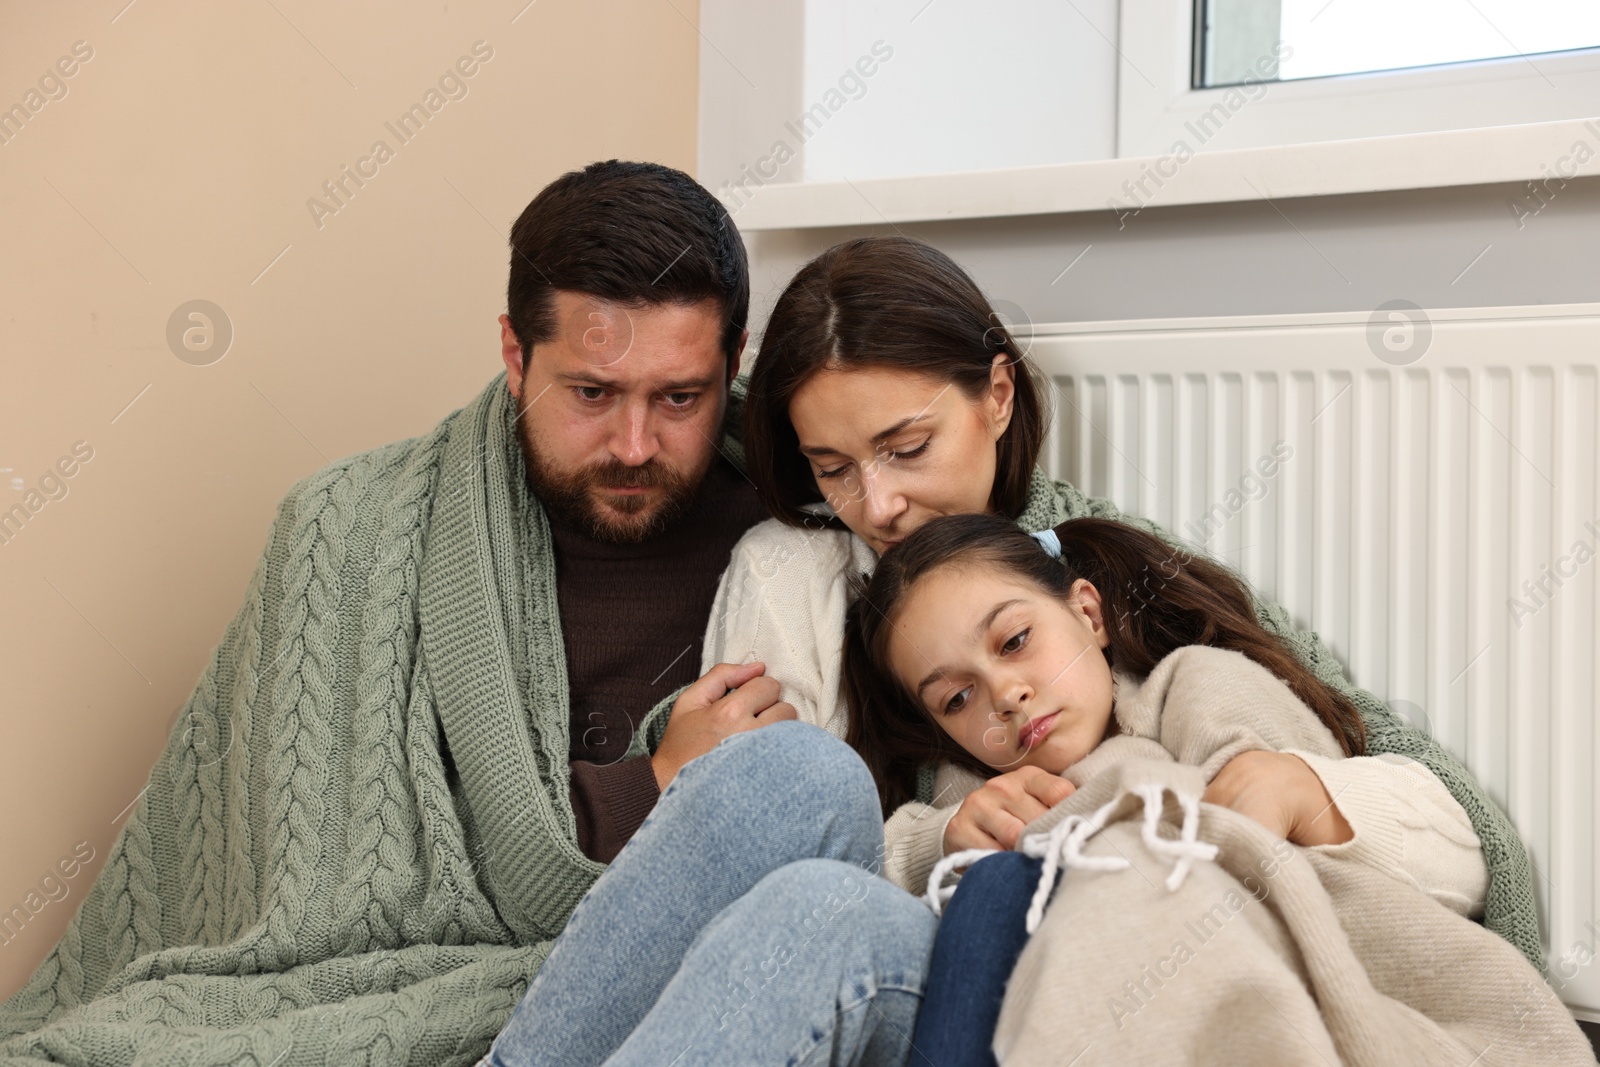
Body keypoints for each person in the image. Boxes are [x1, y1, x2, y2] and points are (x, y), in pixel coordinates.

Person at [0, 162, 926, 1067]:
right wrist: (657, 778)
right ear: (516, 357)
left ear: (736, 361)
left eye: (680, 397)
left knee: (823, 828)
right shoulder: (353, 528)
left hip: (711, 972)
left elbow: (1009, 543)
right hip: (462, 988)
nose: (635, 445)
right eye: (593, 393)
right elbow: (327, 898)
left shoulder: (824, 499)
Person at [706, 234, 1540, 1062]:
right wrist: (938, 841)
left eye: (907, 448)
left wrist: (1308, 790)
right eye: (833, 468)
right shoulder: (796, 575)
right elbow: (751, 868)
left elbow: (1412, 785)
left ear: (998, 395)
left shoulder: (1120, 573)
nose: (879, 504)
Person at [838, 512, 1594, 1065]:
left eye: (1014, 642)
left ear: (1088, 613)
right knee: (993, 887)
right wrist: (942, 837)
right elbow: (882, 867)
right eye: (956, 699)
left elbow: (1373, 861)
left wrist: (1303, 793)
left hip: (1280, 980)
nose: (1004, 695)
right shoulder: (985, 787)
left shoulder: (1194, 688)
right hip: (1110, 1008)